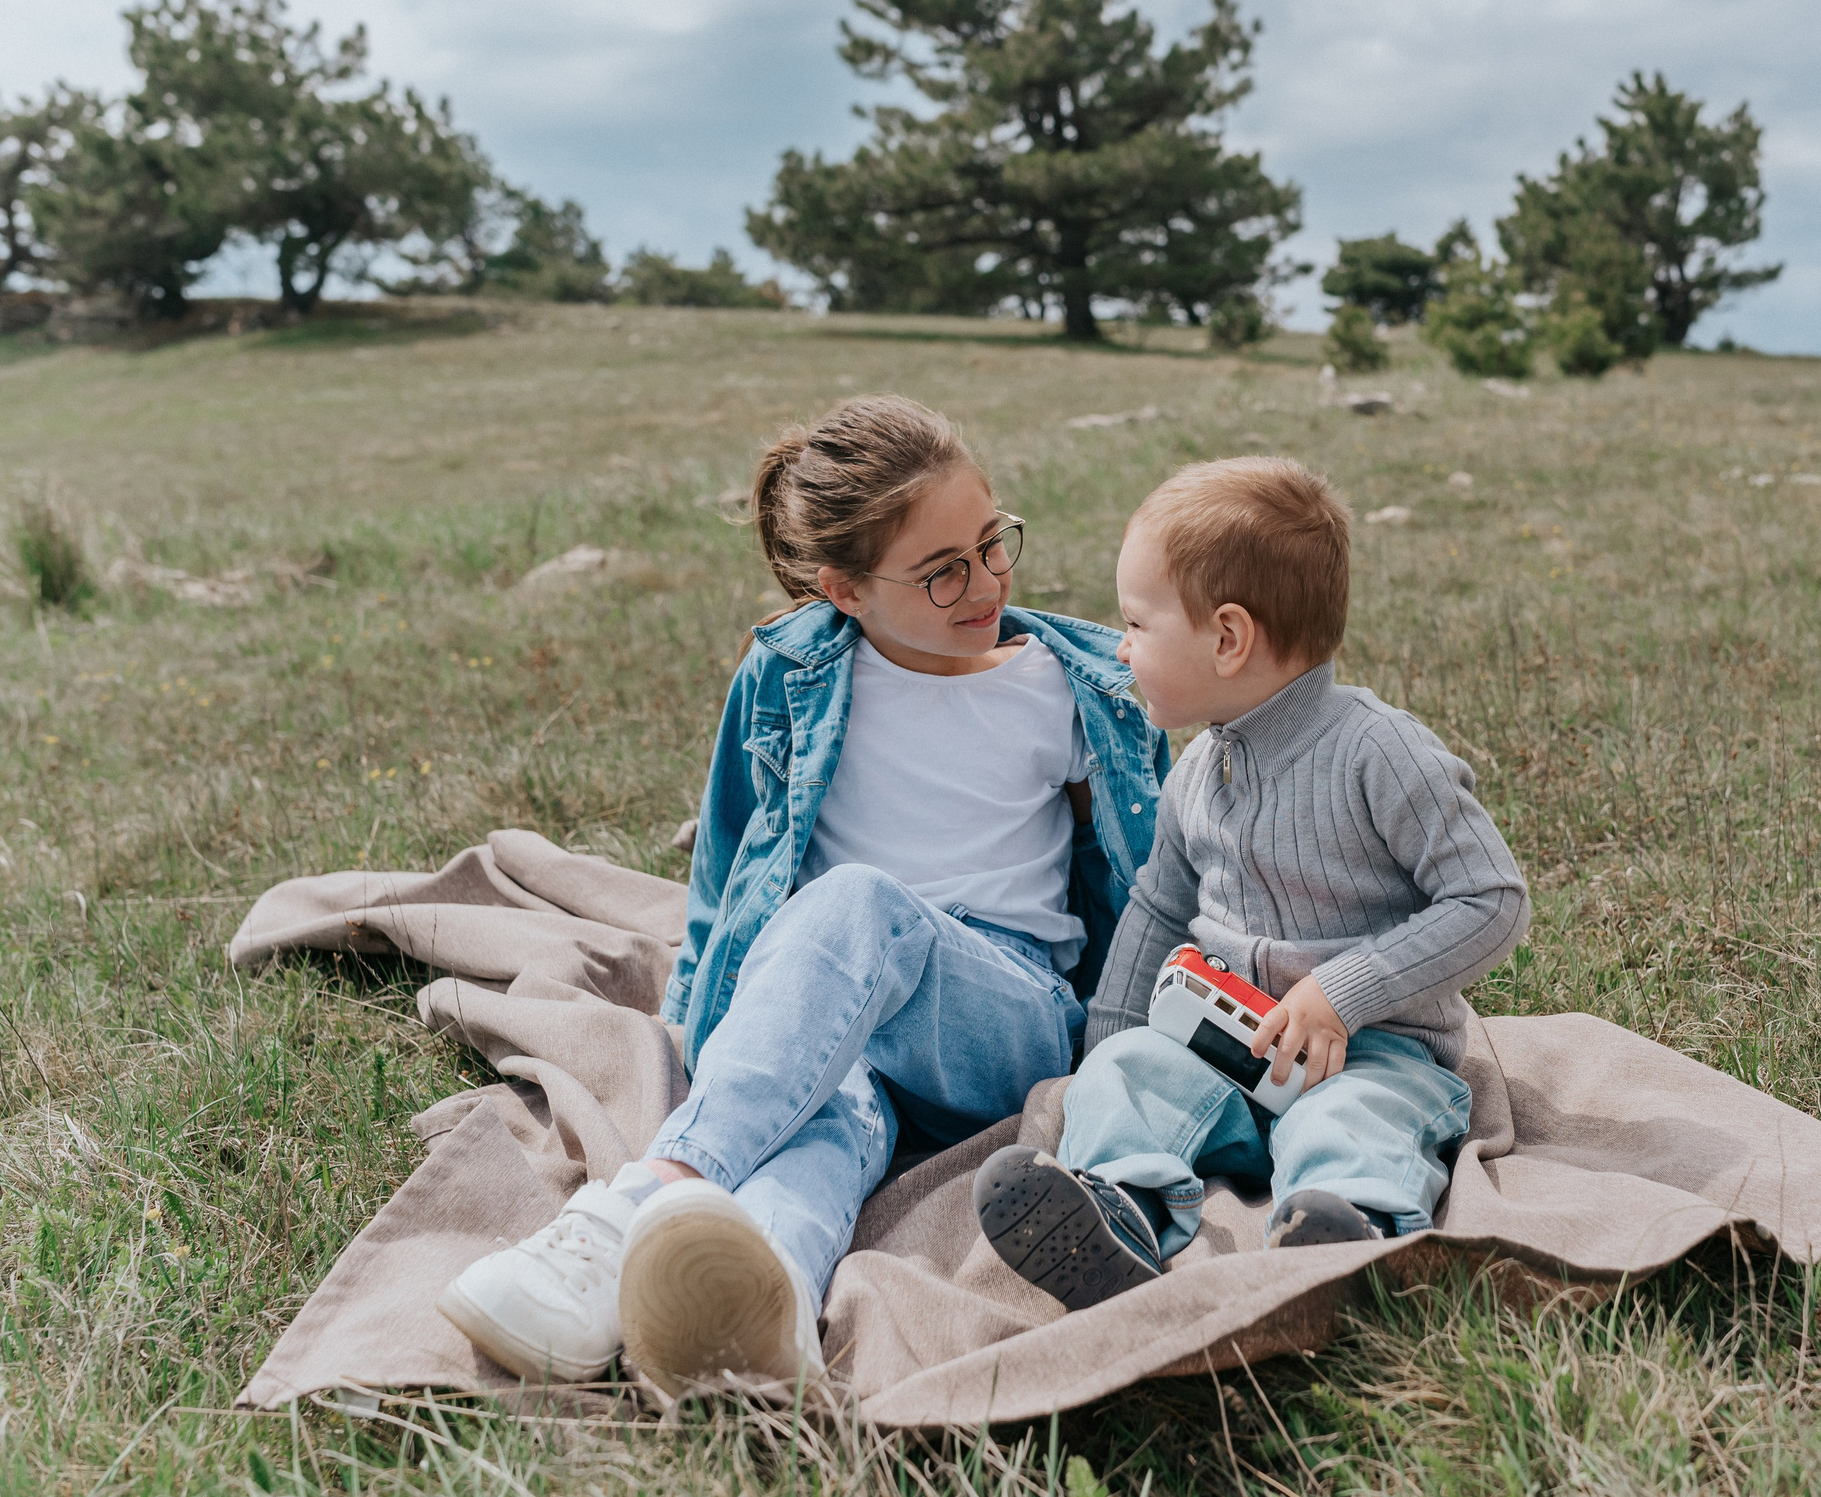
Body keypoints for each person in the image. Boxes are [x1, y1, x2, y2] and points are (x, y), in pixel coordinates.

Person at [435, 396, 1166, 1394]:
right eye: (942, 567)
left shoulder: (1073, 682)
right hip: (837, 1014)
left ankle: (639, 1197)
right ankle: (753, 1309)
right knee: (827, 1111)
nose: (985, 580)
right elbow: (727, 865)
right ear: (843, 587)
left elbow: (1162, 865)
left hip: (998, 1013)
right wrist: (708, 1027)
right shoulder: (787, 677)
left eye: (992, 542)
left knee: (860, 902)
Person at [973, 457, 1529, 1308]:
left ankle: (1340, 1232)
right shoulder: (1197, 771)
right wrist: (1105, 1056)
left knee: (1354, 1119)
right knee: (1128, 1076)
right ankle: (1118, 1209)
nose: (1121, 646)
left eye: (1136, 624)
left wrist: (1342, 993)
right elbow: (1159, 908)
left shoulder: (1377, 752)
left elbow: (1492, 899)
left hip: (1371, 1051)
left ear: (1228, 637)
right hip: (1218, 1054)